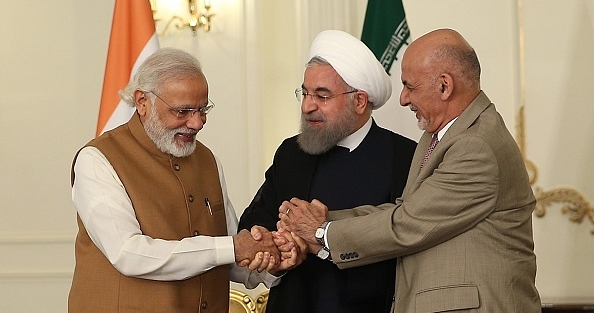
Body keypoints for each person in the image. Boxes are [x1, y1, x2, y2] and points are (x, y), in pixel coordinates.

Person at [279, 28, 542, 312]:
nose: (403, 99)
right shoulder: (441, 136)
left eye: (410, 86)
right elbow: (404, 209)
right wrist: (322, 221)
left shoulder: (476, 146)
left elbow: (407, 224)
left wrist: (321, 233)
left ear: (444, 86)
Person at [68, 48, 305, 313]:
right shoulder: (98, 159)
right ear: (142, 102)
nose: (197, 123)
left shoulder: (207, 160)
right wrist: (235, 246)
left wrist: (272, 262)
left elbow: (229, 256)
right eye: (183, 111)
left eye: (202, 109)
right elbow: (128, 253)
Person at [238, 30, 417, 313]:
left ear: (359, 101)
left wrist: (322, 232)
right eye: (305, 93)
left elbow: (408, 236)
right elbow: (255, 220)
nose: (307, 106)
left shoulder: (405, 157)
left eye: (322, 96)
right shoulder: (291, 153)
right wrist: (272, 240)